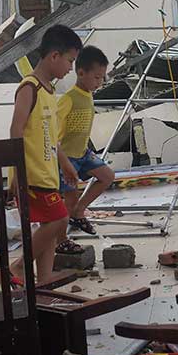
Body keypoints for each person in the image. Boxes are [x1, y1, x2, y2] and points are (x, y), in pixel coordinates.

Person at [9, 24, 82, 281]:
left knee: (50, 224)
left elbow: (53, 139)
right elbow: (16, 131)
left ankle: (45, 276)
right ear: (54, 56)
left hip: (48, 172)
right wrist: (18, 171)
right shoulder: (30, 88)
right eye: (69, 61)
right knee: (59, 220)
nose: (70, 68)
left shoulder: (50, 91)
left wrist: (65, 165)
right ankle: (19, 266)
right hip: (31, 174)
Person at [56, 45, 116, 238]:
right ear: (81, 73)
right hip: (68, 157)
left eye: (102, 77)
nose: (100, 82)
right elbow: (54, 135)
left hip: (82, 153)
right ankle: (61, 239)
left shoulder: (89, 95)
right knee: (69, 199)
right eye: (97, 77)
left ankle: (79, 212)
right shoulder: (68, 99)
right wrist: (63, 162)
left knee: (107, 176)